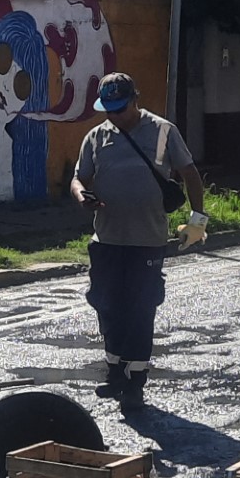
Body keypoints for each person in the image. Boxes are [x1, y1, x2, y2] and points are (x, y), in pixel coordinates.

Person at [69, 73, 206, 410]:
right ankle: (115, 371)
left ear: (134, 99)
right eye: (109, 110)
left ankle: (135, 380)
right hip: (108, 239)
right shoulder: (96, 136)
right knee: (106, 304)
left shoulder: (162, 131)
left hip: (147, 239)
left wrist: (197, 220)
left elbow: (189, 173)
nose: (114, 116)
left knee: (140, 308)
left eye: (120, 108)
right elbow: (78, 178)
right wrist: (81, 195)